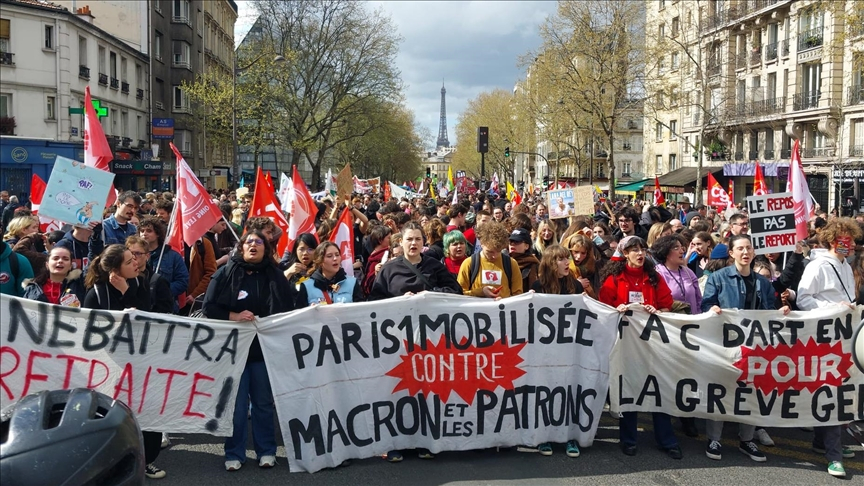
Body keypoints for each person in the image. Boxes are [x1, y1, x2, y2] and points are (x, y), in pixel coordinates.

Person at [202, 230, 295, 472]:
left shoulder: (275, 276)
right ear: (241, 248)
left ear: (266, 248)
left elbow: (288, 309)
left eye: (259, 242)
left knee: (263, 404)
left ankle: (267, 451)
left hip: (264, 353)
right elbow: (208, 307)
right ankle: (234, 452)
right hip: (234, 353)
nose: (253, 245)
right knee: (237, 405)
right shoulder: (226, 273)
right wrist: (234, 316)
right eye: (249, 242)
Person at [701, 234, 787, 463]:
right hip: (725, 345)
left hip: (754, 347)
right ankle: (714, 438)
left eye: (749, 248)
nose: (745, 252)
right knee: (720, 391)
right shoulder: (718, 278)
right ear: (731, 253)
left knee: (750, 392)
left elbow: (769, 311)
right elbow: (707, 304)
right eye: (740, 248)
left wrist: (781, 313)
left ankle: (746, 440)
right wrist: (714, 309)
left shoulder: (762, 283)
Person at [81, 244, 165, 479]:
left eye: (134, 259)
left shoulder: (139, 284)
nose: (135, 263)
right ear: (115, 270)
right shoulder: (96, 294)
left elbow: (146, 316)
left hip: (140, 363)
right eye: (129, 262)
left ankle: (146, 460)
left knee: (146, 412)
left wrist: (127, 291)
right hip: (110, 367)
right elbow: (90, 334)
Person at [598, 236, 682, 460]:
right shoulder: (614, 278)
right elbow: (604, 310)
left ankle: (667, 440)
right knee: (630, 389)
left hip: (653, 345)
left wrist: (657, 311)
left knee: (659, 389)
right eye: (633, 249)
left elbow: (666, 305)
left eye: (641, 249)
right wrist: (619, 309)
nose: (639, 253)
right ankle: (628, 439)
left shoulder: (654, 277)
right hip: (626, 346)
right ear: (625, 254)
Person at [796, 218, 861, 478]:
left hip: (843, 337)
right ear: (836, 241)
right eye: (849, 239)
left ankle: (822, 442)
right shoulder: (818, 266)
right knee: (833, 393)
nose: (854, 244)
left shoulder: (846, 265)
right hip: (825, 338)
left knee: (840, 390)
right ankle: (833, 454)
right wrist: (832, 311)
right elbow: (803, 298)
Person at [528, 243, 585, 458]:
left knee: (568, 392)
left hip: (570, 349)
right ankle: (544, 437)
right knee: (546, 392)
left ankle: (569, 436)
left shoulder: (575, 286)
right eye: (561, 259)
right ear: (551, 263)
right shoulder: (538, 286)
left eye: (566, 258)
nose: (566, 262)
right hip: (544, 350)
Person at [652, 234, 702, 438]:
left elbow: (698, 300)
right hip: (667, 333)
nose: (683, 250)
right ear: (666, 252)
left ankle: (686, 417)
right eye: (677, 248)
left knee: (686, 375)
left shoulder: (689, 272)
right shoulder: (658, 273)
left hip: (690, 332)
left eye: (682, 247)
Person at [370, 222, 461, 301]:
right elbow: (375, 300)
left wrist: (431, 294)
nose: (414, 243)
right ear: (401, 241)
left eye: (418, 239)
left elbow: (456, 291)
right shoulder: (388, 269)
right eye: (409, 239)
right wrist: (398, 301)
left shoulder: (434, 265)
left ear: (423, 241)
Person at [458, 221, 523, 299]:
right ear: (481, 243)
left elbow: (518, 295)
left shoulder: (511, 264)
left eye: (499, 251)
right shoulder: (469, 263)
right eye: (490, 252)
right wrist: (481, 292)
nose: (494, 256)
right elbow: (459, 294)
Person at [138, 216, 189, 312]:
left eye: (149, 231)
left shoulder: (173, 256)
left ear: (157, 234)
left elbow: (182, 281)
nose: (144, 234)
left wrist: (161, 290)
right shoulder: (134, 254)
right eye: (142, 231)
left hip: (165, 306)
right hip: (141, 306)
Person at [296, 241, 365, 307]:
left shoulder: (352, 283)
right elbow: (299, 316)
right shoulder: (307, 286)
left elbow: (360, 313)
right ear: (320, 261)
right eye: (329, 256)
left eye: (337, 255)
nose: (335, 258)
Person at [22, 246, 86, 307]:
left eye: (65, 259)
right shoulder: (32, 287)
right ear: (47, 265)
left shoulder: (79, 285)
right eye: (55, 258)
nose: (60, 261)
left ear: (70, 266)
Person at [126, 235, 174, 314]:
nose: (134, 257)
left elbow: (165, 312)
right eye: (131, 253)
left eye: (138, 253)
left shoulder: (158, 281)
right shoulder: (122, 279)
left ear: (147, 256)